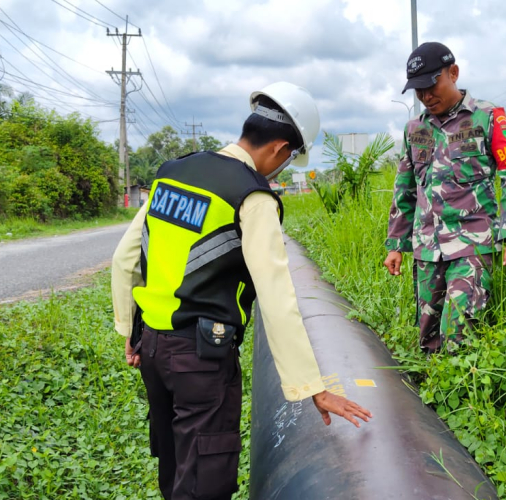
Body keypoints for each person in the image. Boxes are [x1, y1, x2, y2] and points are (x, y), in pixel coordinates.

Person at [111, 82, 372, 500]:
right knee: (203, 484)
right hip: (201, 360)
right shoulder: (251, 195)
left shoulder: (172, 172)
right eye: (288, 159)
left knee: (176, 464)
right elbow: (277, 297)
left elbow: (125, 259)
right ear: (281, 148)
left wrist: (130, 330)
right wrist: (313, 387)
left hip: (153, 350)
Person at [384, 42, 506, 354]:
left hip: (471, 244)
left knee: (459, 333)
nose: (426, 96)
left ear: (453, 73)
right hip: (426, 249)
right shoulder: (415, 129)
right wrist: (396, 245)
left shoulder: (488, 118)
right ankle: (430, 398)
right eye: (418, 91)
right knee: (429, 340)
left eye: (431, 85)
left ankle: (464, 399)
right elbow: (405, 188)